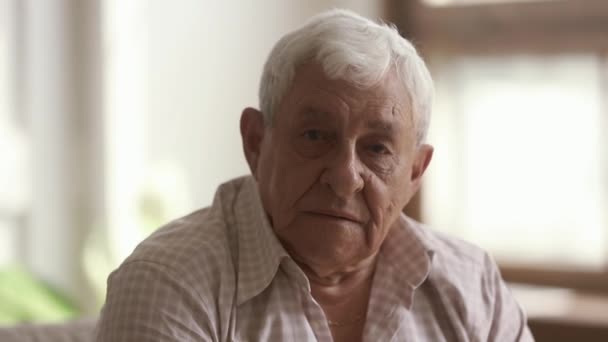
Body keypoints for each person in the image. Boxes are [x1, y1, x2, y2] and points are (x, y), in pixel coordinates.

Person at [95, 9, 534, 342]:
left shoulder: (472, 286)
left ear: (415, 172)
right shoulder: (169, 282)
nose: (345, 178)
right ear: (256, 143)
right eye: (315, 135)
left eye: (377, 148)